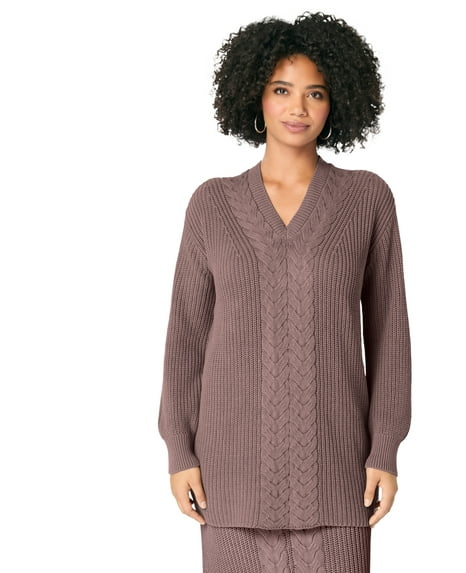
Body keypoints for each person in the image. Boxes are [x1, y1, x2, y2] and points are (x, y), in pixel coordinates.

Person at [158, 11, 412, 573]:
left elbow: (389, 334)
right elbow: (186, 339)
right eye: (281, 90)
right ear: (255, 94)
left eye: (315, 93)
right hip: (230, 481)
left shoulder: (367, 199)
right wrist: (179, 449)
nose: (298, 108)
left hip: (339, 476)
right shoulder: (212, 204)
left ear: (336, 101)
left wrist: (385, 449)